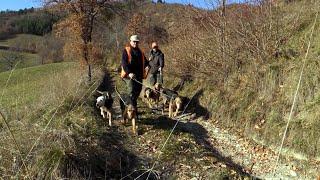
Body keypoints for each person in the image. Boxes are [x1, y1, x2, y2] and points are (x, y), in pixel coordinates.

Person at [120, 35, 149, 115]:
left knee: (137, 92)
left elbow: (145, 62)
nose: (135, 43)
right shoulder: (126, 50)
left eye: (137, 42)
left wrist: (148, 65)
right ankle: (128, 111)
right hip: (129, 76)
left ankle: (133, 108)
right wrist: (129, 73)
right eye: (134, 41)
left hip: (138, 76)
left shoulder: (140, 52)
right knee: (131, 92)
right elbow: (124, 63)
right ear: (130, 42)